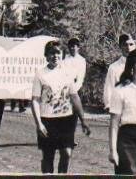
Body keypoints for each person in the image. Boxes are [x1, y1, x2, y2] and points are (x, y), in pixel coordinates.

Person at [31, 40, 90, 174]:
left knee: (66, 153)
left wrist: (83, 120)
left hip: (65, 120)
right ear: (46, 55)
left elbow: (74, 97)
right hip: (47, 119)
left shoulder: (67, 72)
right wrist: (39, 123)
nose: (55, 56)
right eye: (51, 53)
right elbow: (35, 100)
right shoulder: (40, 74)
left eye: (58, 53)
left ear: (62, 55)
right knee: (48, 156)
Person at [103, 34, 136, 110]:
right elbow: (109, 88)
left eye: (131, 44)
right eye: (125, 45)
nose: (128, 48)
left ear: (135, 45)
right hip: (122, 109)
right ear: (120, 47)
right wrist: (109, 105)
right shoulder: (114, 67)